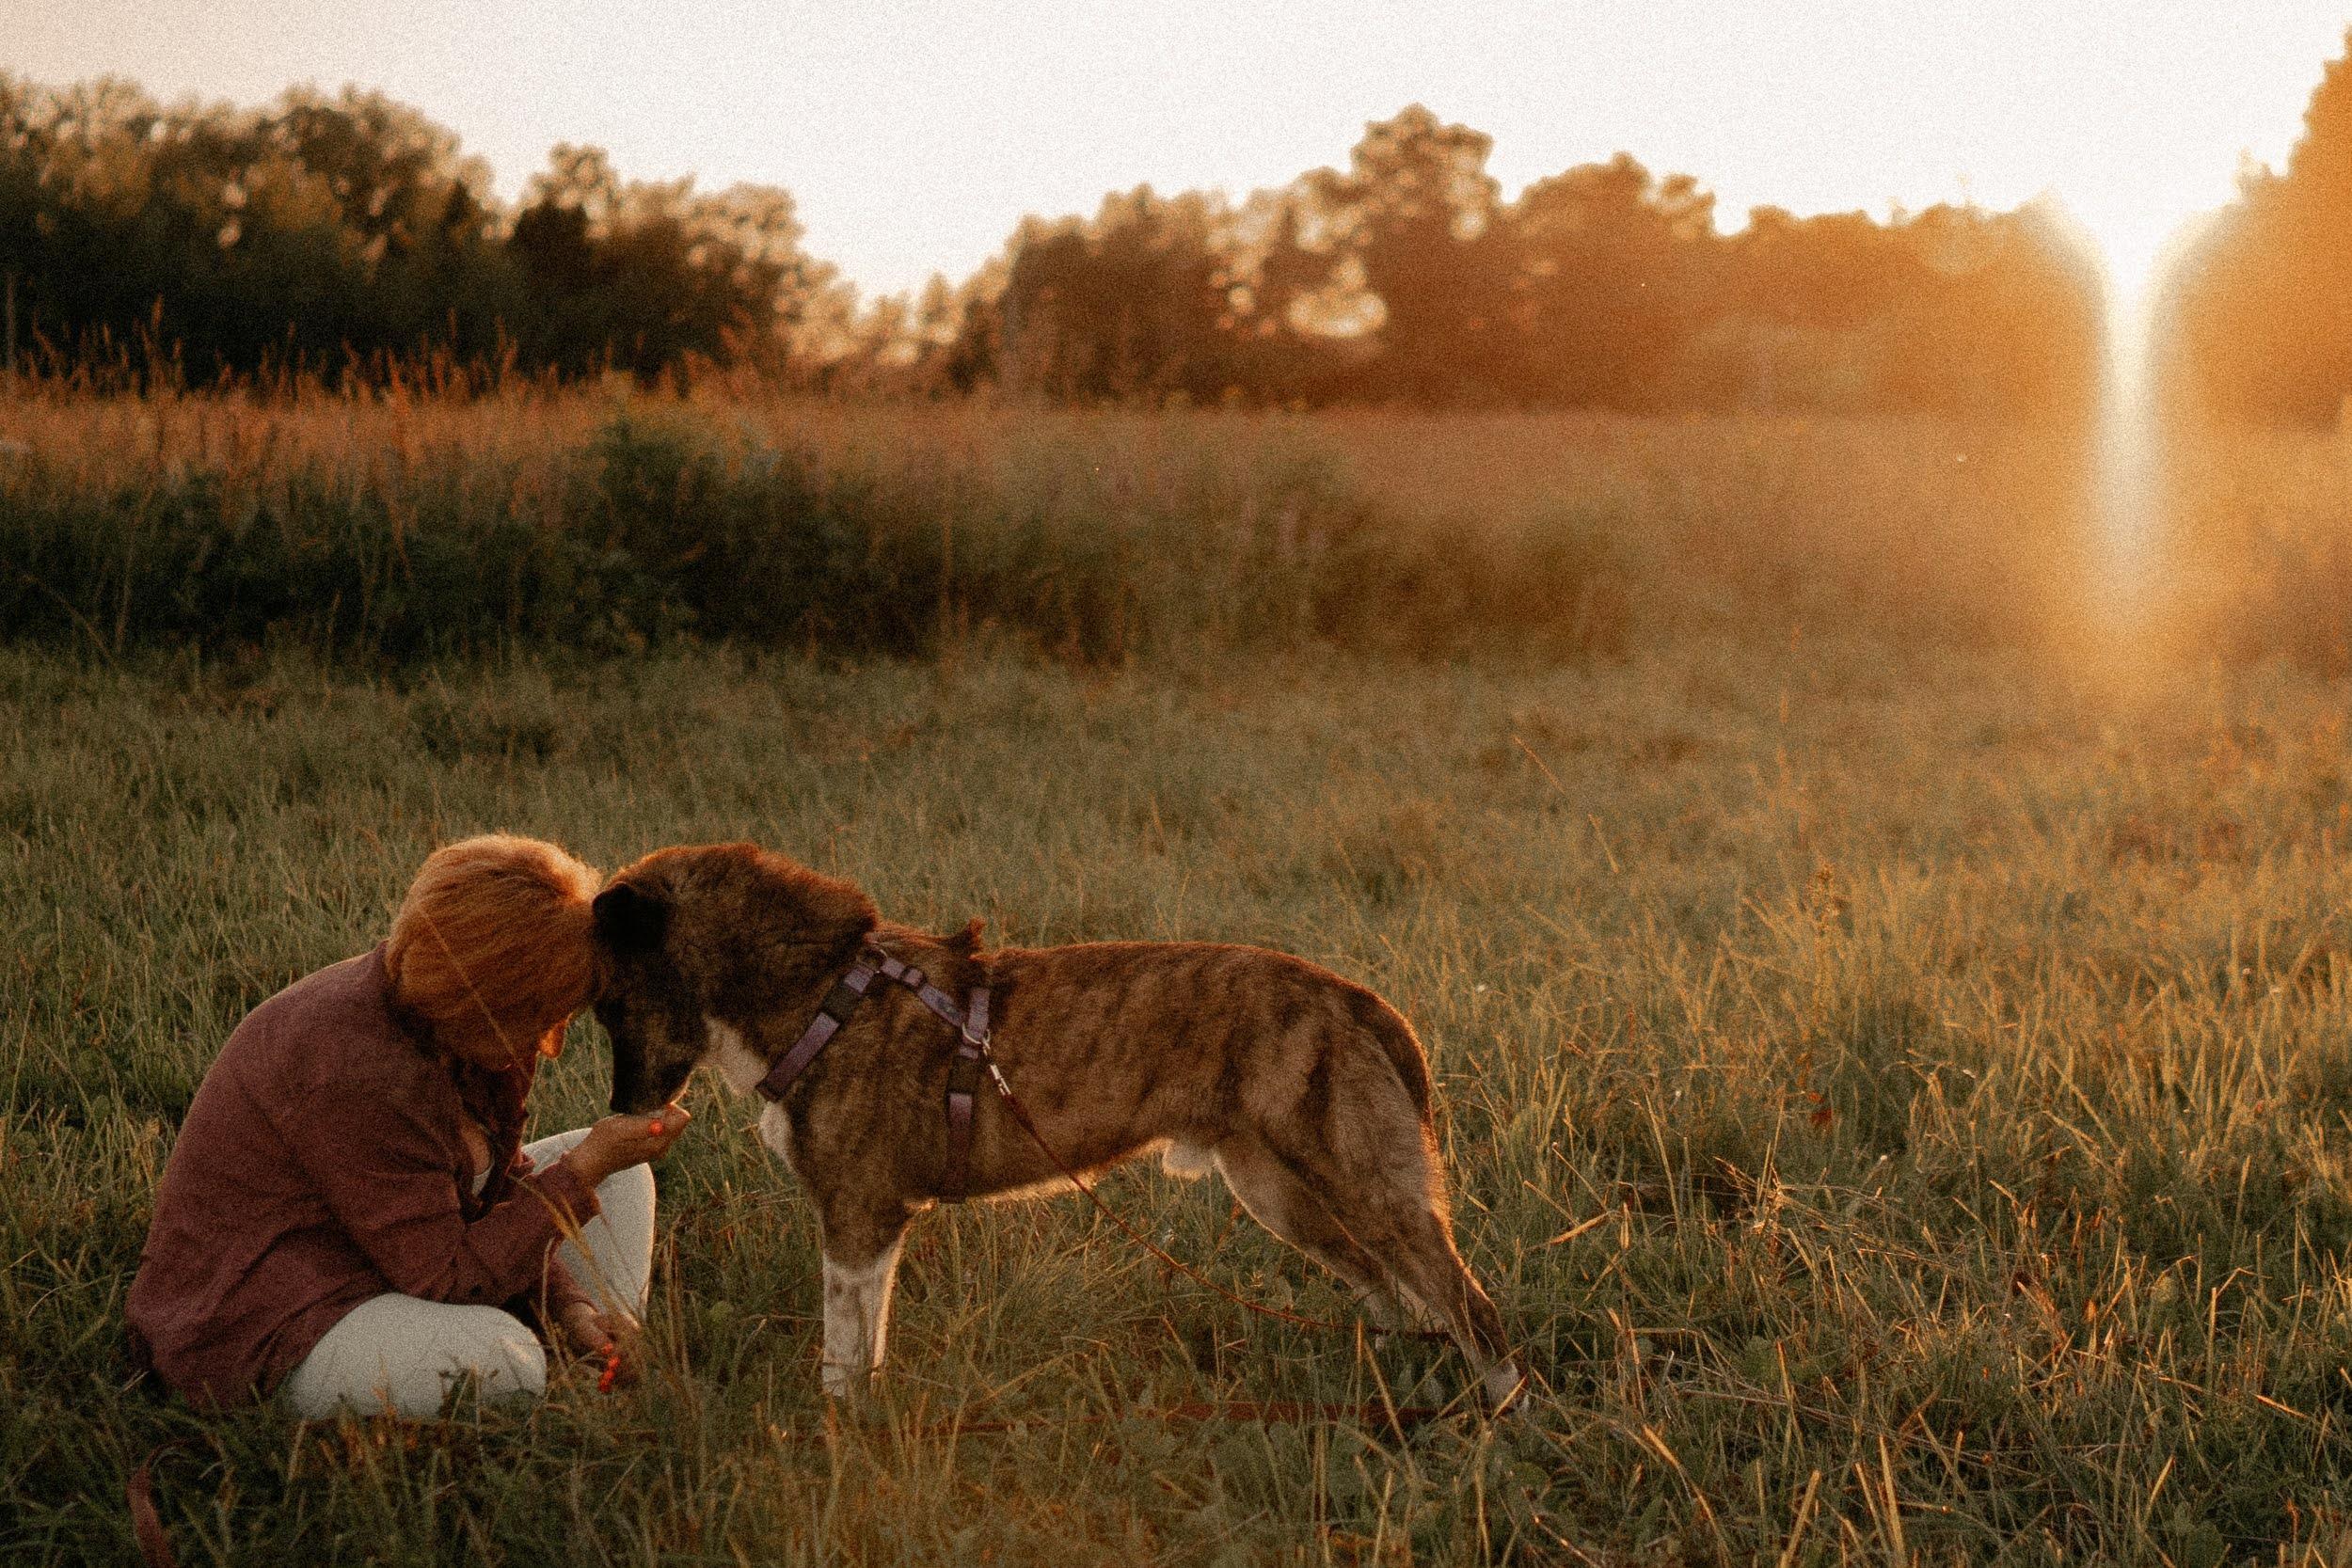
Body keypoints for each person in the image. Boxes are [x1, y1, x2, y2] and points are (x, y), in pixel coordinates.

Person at [125, 834, 689, 1417]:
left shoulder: (468, 1026)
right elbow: (445, 1275)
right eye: (539, 1014)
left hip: (396, 1256)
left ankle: (595, 1352)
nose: (549, 1042)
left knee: (623, 1178)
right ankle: (541, 1371)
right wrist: (584, 1167)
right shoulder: (357, 1067)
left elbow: (491, 1196)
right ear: (486, 997)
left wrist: (572, 1305)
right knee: (506, 1363)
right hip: (283, 1306)